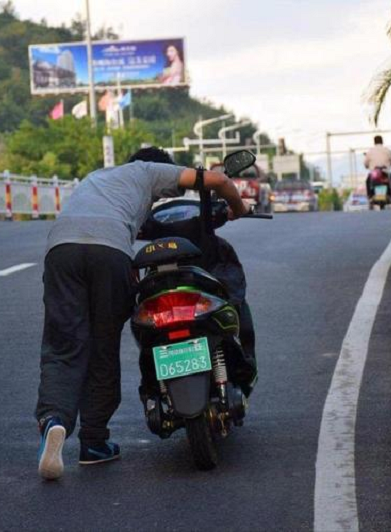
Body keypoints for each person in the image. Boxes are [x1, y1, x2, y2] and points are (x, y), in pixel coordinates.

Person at [35, 147, 248, 481]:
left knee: (64, 346)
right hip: (110, 252)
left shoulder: (97, 177)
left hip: (61, 251)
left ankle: (54, 420)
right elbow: (217, 180)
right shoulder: (148, 171)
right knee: (103, 347)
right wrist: (239, 207)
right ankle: (93, 442)